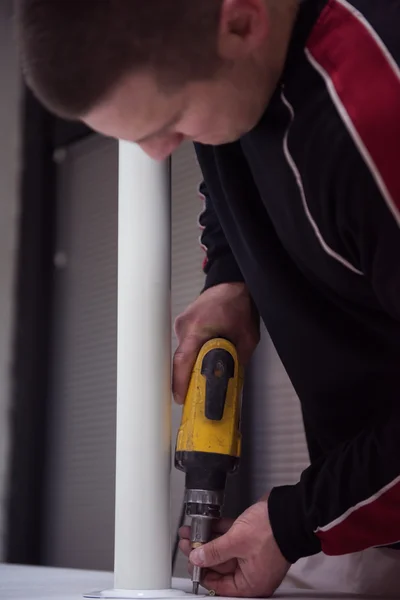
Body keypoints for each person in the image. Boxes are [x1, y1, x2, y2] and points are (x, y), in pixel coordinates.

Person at [15, 0, 400, 597]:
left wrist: (293, 520)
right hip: (368, 512)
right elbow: (228, 162)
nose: (157, 153)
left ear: (242, 21)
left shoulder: (377, 107)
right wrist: (229, 277)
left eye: (171, 121)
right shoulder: (238, 73)